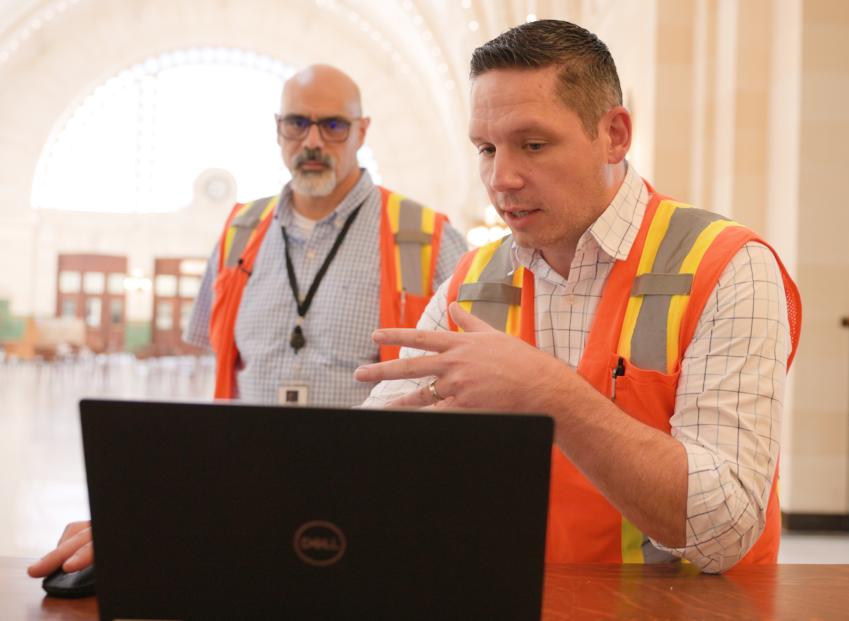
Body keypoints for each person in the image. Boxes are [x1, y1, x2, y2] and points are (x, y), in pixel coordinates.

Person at [355, 19, 801, 574]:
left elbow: (726, 529)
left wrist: (549, 394)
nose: (502, 178)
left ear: (614, 134)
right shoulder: (469, 282)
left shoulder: (729, 266)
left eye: (533, 145)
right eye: (486, 148)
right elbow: (375, 467)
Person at [27, 64, 468, 580]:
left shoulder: (425, 237)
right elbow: (218, 368)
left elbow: (464, 385)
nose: (312, 140)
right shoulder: (240, 232)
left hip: (372, 488)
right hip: (251, 485)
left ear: (361, 131)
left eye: (333, 126)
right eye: (297, 123)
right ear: (277, 128)